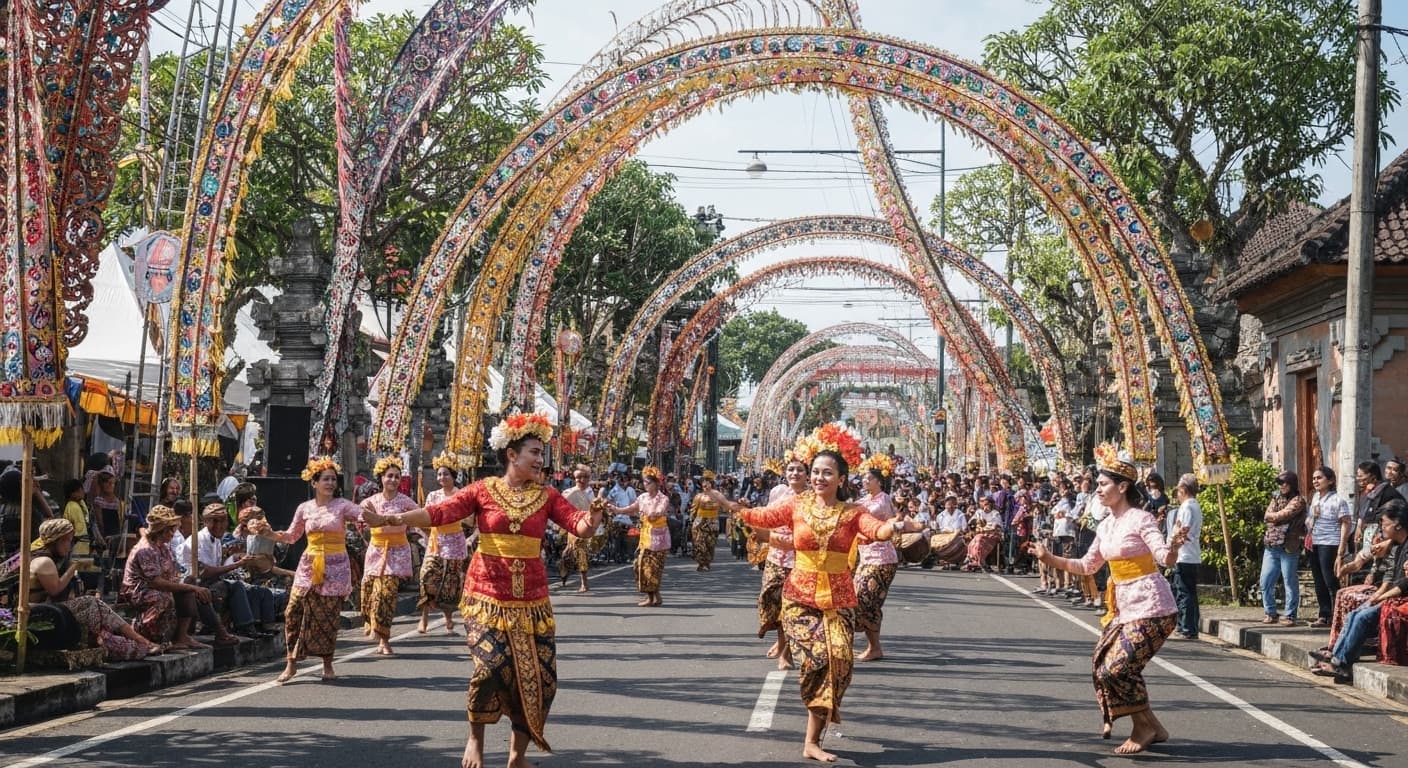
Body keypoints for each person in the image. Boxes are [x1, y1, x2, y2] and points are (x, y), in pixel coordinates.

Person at [361, 411, 602, 768]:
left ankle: (516, 755)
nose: (540, 460)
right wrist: (392, 519)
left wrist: (593, 517)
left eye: (541, 453)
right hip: (486, 596)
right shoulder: (482, 490)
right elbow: (438, 513)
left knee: (540, 679)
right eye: (534, 452)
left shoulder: (548, 495)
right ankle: (475, 740)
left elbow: (577, 525)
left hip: (532, 601)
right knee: (491, 668)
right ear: (512, 455)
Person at [713, 426, 919, 763]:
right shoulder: (796, 505)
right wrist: (729, 506)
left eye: (828, 473)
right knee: (817, 661)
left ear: (841, 479)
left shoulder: (853, 513)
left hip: (839, 597)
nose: (820, 477)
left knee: (840, 661)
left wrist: (893, 527)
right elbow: (761, 517)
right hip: (799, 597)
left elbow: (875, 530)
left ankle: (814, 737)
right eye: (816, 472)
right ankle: (811, 741)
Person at [1030, 443, 1187, 755]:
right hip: (1124, 609)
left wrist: (1173, 546)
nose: (1098, 490)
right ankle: (1154, 726)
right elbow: (1087, 566)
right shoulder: (1105, 526)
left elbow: (1163, 558)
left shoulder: (1141, 519)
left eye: (1103, 484)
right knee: (1104, 667)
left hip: (1154, 607)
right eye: (1098, 484)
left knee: (1118, 668)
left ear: (1123, 486)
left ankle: (1143, 728)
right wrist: (1049, 558)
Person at [252, 456, 364, 683]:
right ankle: (291, 663)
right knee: (293, 610)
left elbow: (362, 515)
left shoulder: (343, 506)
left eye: (333, 479)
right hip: (309, 564)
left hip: (335, 566)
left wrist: (378, 517)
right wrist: (269, 534)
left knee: (327, 615)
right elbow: (292, 536)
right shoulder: (304, 508)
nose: (330, 483)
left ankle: (327, 664)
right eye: (325, 479)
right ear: (314, 483)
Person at [28, 518, 162, 659]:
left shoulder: (46, 558)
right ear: (57, 541)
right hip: (40, 612)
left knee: (98, 607)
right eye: (67, 541)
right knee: (92, 603)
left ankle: (141, 642)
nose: (69, 546)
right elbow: (54, 589)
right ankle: (141, 643)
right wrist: (74, 567)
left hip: (52, 610)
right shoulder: (43, 561)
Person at [1312, 500, 1408, 683]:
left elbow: (1403, 583)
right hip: (1391, 595)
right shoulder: (1397, 544)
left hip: (1400, 599)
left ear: (1397, 524)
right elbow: (1389, 575)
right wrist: (1378, 596)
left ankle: (1342, 663)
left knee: (1364, 617)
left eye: (1385, 524)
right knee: (1355, 614)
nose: (1382, 528)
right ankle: (1336, 657)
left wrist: (1380, 597)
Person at [120, 506, 212, 650]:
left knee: (190, 585)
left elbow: (171, 575)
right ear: (160, 530)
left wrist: (188, 584)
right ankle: (147, 636)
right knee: (165, 598)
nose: (172, 533)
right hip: (138, 591)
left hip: (158, 585)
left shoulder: (163, 547)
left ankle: (183, 637)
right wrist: (189, 587)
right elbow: (156, 582)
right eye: (169, 530)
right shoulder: (145, 549)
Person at [359, 456, 418, 655]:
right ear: (381, 478)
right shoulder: (370, 502)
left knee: (386, 594)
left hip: (397, 552)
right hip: (376, 551)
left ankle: (384, 639)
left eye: (396, 476)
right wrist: (368, 535)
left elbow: (420, 516)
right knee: (368, 593)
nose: (393, 480)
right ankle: (372, 625)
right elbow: (360, 522)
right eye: (389, 476)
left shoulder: (406, 502)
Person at [193, 503, 277, 639]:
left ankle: (257, 626)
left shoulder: (217, 540)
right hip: (199, 584)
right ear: (205, 522)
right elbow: (203, 572)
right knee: (236, 586)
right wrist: (237, 563)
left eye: (223, 520)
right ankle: (245, 627)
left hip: (220, 579)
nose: (219, 525)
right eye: (214, 521)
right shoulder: (200, 540)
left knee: (259, 591)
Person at [759, 454, 806, 670]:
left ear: (807, 474)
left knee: (792, 607)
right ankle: (780, 640)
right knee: (771, 600)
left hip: (800, 561)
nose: (794, 473)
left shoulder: (813, 497)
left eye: (799, 470)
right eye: (791, 469)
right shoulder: (777, 492)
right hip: (775, 557)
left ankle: (786, 653)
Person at [853, 454, 899, 662]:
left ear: (879, 481)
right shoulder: (863, 500)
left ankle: (875, 647)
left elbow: (879, 519)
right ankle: (872, 646)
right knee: (857, 598)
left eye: (868, 478)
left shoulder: (883, 500)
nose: (864, 481)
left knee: (867, 601)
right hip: (865, 558)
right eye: (863, 478)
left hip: (882, 558)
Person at [419, 451, 470, 633]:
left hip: (454, 542)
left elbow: (470, 519)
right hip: (435, 541)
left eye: (446, 473)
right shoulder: (433, 495)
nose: (442, 477)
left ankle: (448, 617)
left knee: (450, 583)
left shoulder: (461, 495)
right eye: (439, 474)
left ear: (453, 476)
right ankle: (424, 617)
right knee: (427, 576)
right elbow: (425, 516)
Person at [613, 465, 670, 607]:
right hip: (645, 537)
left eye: (648, 482)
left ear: (657, 483)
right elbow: (631, 508)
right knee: (640, 565)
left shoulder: (663, 499)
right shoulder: (642, 497)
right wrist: (616, 509)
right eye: (644, 482)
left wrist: (653, 514)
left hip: (659, 538)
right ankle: (654, 596)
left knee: (653, 568)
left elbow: (659, 511)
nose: (645, 485)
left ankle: (652, 598)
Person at [1305, 466, 1353, 629]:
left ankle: (1338, 614)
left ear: (1330, 480)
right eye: (1314, 478)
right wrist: (1312, 518)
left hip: (1329, 542)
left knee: (1330, 579)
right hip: (1315, 542)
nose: (1315, 481)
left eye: (1319, 478)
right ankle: (1324, 614)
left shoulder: (1338, 500)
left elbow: (1346, 523)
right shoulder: (1315, 498)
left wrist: (1341, 548)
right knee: (1318, 580)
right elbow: (1310, 521)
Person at [1260, 471, 1307, 626]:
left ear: (1292, 483)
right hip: (1272, 544)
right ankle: (1270, 612)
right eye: (1279, 483)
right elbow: (1267, 514)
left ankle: (1290, 614)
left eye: (1284, 483)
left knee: (1289, 581)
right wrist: (1273, 516)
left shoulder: (1299, 500)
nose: (1281, 486)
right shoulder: (1276, 497)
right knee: (1265, 580)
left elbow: (1284, 515)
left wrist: (1273, 517)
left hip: (1289, 545)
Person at [1166, 474, 1203, 640]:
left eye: (1179, 491)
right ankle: (1189, 626)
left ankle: (1186, 627)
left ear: (1183, 490)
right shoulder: (1194, 505)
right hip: (1190, 554)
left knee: (1184, 592)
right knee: (1189, 592)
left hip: (1185, 555)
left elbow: (1183, 531)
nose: (1177, 495)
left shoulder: (1188, 507)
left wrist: (1173, 547)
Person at [559, 465, 595, 592]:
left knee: (581, 553)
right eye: (579, 477)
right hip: (572, 526)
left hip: (586, 527)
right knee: (567, 554)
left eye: (585, 477)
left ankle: (584, 583)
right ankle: (564, 576)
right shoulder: (569, 493)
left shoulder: (591, 493)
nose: (582, 480)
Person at [690, 471, 722, 571]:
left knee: (710, 544)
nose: (706, 487)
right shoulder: (698, 497)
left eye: (708, 484)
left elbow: (723, 509)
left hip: (713, 524)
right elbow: (693, 510)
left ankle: (707, 563)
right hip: (699, 524)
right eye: (704, 485)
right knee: (699, 543)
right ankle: (701, 563)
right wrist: (691, 519)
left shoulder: (718, 497)